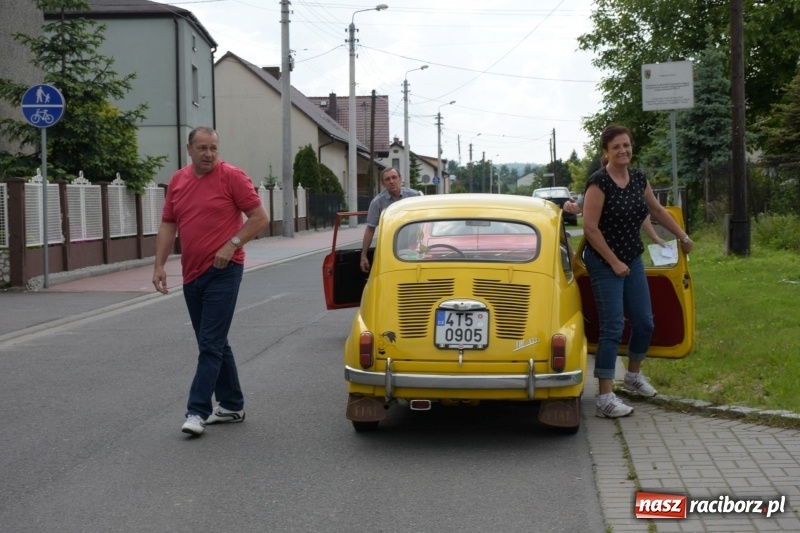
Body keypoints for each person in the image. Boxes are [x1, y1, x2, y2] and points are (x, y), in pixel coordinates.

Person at [153, 126, 269, 436]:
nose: (209, 154)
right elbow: (168, 224)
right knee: (213, 342)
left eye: (213, 148)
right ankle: (231, 404)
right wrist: (159, 264)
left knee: (209, 343)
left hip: (224, 271)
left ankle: (197, 410)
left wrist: (232, 244)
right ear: (189, 149)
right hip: (192, 273)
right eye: (202, 148)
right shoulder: (178, 181)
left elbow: (260, 218)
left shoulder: (232, 177)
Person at [579, 125, 692, 419]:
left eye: (626, 145)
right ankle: (604, 397)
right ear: (606, 152)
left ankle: (632, 376)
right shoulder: (598, 183)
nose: (623, 151)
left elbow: (656, 210)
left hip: (632, 258)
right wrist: (614, 262)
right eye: (616, 147)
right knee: (613, 327)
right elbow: (590, 228)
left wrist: (682, 237)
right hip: (604, 262)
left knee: (644, 322)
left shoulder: (638, 178)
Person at [359, 167, 422, 273]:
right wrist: (363, 256)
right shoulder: (377, 203)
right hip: (390, 250)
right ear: (383, 183)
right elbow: (370, 229)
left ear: (400, 179)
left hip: (414, 247)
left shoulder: (414, 196)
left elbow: (426, 222)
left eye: (394, 177)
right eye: (387, 179)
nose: (391, 181)